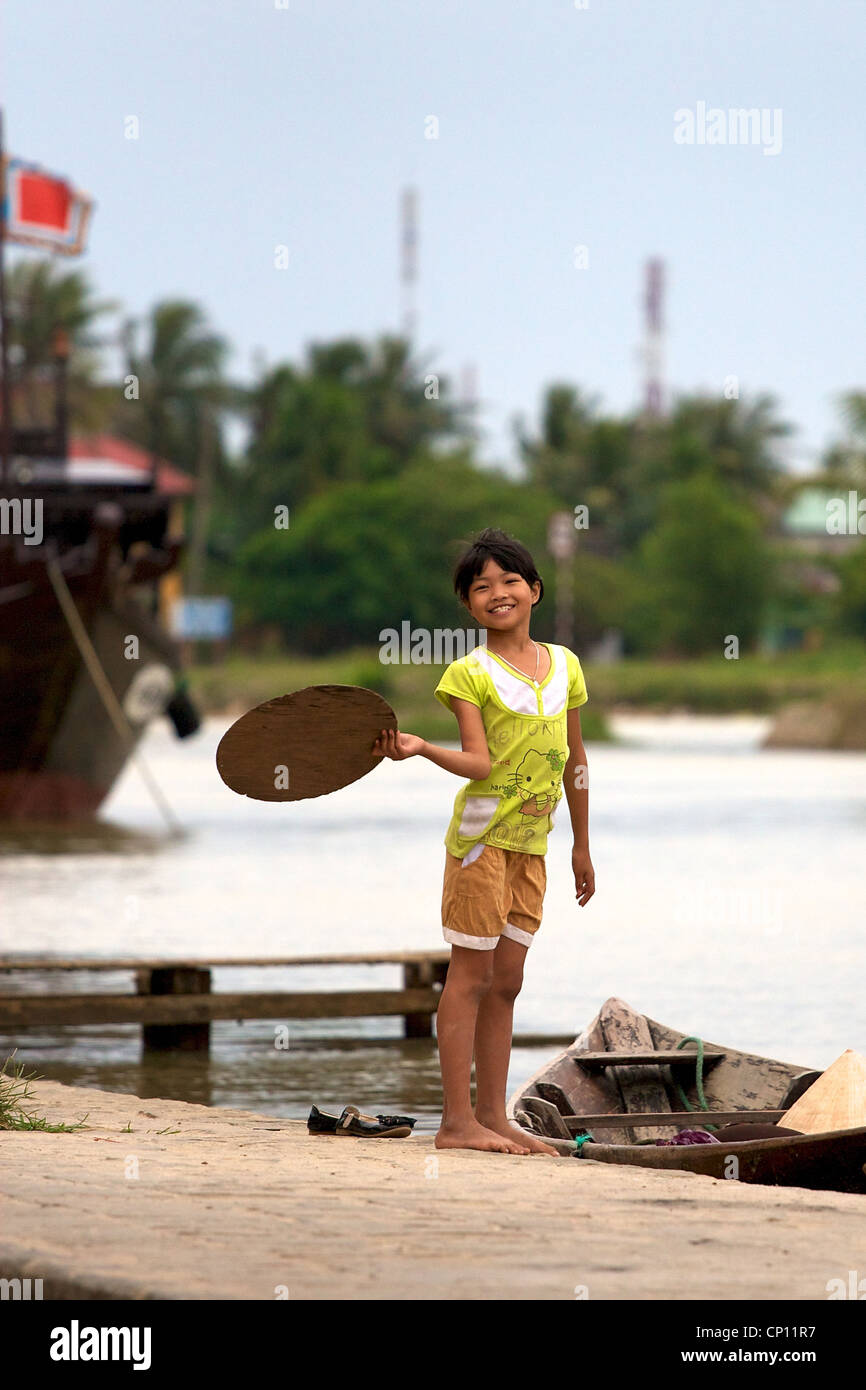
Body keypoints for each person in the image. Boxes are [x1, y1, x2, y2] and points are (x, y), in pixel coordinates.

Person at [373, 527, 595, 1155]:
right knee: (469, 977)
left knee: (508, 980)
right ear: (468, 607)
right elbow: (478, 764)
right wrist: (420, 748)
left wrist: (581, 845)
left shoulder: (566, 666)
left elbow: (575, 759)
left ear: (535, 589)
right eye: (481, 587)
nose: (497, 593)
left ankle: (493, 1115)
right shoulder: (468, 672)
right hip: (479, 841)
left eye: (509, 581)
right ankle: (455, 1123)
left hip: (533, 844)